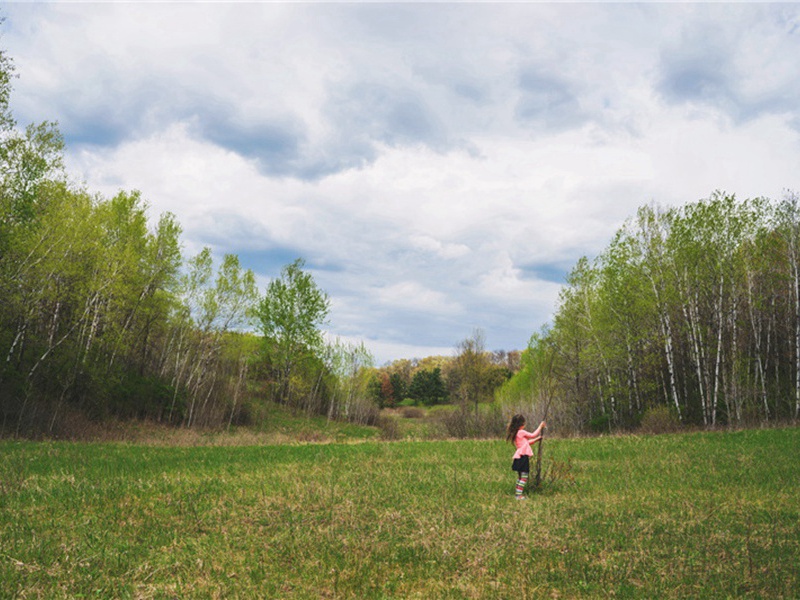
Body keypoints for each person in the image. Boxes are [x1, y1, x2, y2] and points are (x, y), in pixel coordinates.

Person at [506, 414, 546, 500]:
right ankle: (518, 495)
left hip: (519, 458)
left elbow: (526, 443)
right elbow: (533, 434)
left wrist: (536, 440)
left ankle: (517, 493)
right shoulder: (521, 432)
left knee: (520, 477)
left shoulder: (516, 433)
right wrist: (540, 426)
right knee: (524, 477)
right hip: (523, 458)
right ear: (521, 424)